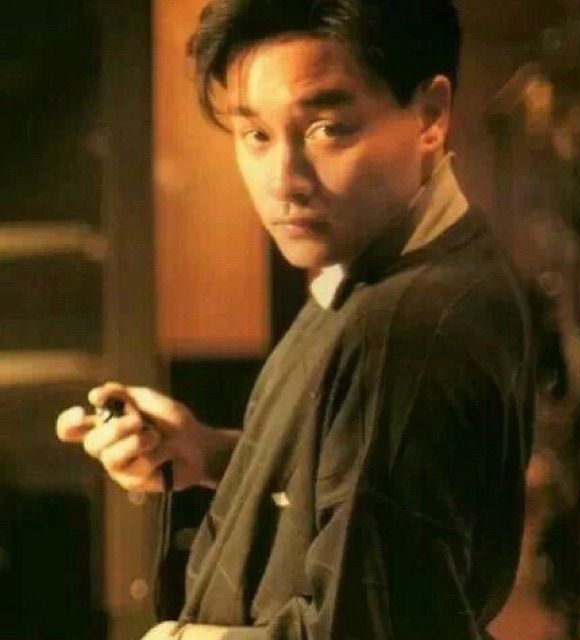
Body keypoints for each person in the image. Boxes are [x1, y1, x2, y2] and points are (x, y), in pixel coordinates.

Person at [56, 0, 535, 638]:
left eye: (326, 128)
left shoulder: (402, 327)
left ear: (430, 114)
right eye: (255, 134)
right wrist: (211, 452)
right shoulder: (392, 263)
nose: (284, 180)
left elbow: (376, 628)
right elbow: (369, 494)